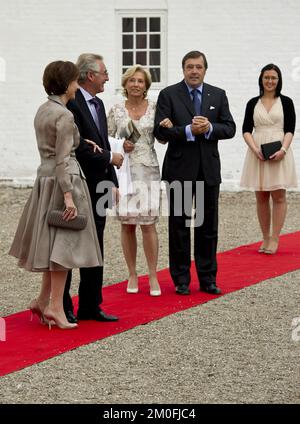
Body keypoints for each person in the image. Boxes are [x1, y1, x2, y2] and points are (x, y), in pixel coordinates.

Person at [9, 60, 102, 329]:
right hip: (64, 181)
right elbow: (62, 159)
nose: (77, 85)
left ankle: (42, 301)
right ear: (67, 84)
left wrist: (81, 141)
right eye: (75, 81)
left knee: (53, 246)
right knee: (64, 249)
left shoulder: (44, 109)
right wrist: (69, 197)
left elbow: (52, 144)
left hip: (45, 179)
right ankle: (55, 308)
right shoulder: (66, 114)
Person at [154, 50, 236, 295]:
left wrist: (210, 128)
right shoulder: (168, 95)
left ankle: (207, 278)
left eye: (198, 67)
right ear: (183, 70)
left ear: (205, 70)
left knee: (207, 227)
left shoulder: (218, 95)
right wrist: (188, 131)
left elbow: (230, 127)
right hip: (179, 170)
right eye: (189, 67)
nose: (194, 71)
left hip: (207, 171)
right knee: (179, 225)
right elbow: (160, 133)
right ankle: (181, 279)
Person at [63, 53, 123, 323]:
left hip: (100, 184)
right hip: (77, 184)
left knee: (95, 245)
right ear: (90, 75)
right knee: (68, 246)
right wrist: (109, 157)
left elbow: (102, 142)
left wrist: (113, 182)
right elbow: (78, 147)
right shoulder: (71, 104)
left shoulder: (98, 104)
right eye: (104, 73)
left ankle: (90, 305)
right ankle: (63, 306)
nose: (108, 78)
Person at [107, 65, 172, 296]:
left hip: (148, 170)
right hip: (124, 171)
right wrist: (120, 145)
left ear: (146, 85)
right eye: (132, 80)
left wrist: (167, 127)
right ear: (125, 84)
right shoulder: (115, 110)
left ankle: (153, 274)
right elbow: (106, 140)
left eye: (140, 81)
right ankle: (132, 273)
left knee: (148, 224)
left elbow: (163, 140)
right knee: (127, 224)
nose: (136, 84)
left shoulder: (155, 109)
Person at [240, 63, 297, 254]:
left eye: (273, 78)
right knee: (261, 195)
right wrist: (255, 149)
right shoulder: (252, 103)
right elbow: (246, 130)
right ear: (261, 79)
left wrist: (283, 149)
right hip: (258, 152)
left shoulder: (286, 102)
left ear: (278, 80)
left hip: (280, 150)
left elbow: (290, 129)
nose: (270, 81)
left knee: (279, 195)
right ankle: (264, 237)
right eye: (267, 77)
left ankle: (275, 238)